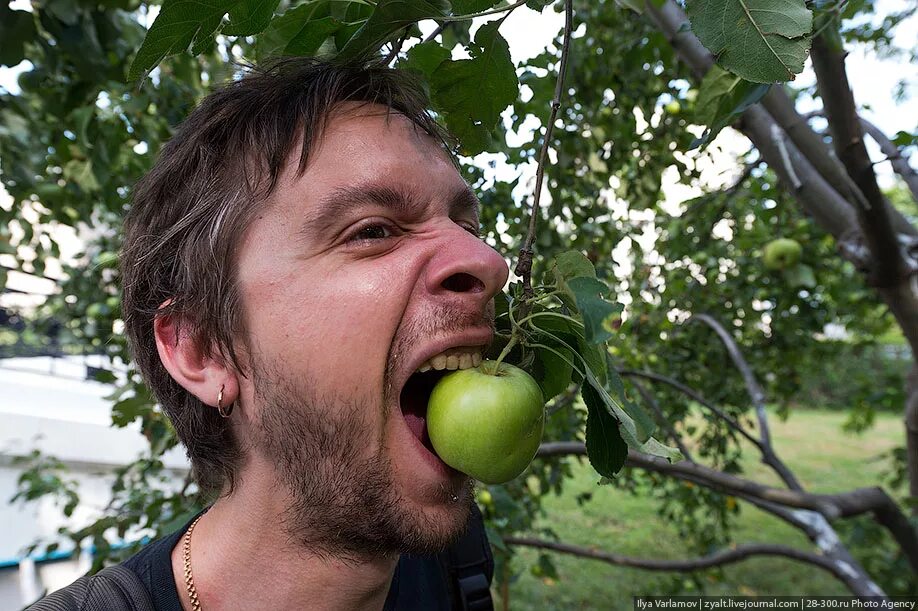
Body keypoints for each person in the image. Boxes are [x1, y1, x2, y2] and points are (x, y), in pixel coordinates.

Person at [30, 57, 508, 610]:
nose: (486, 260)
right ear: (204, 349)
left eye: (467, 227)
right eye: (373, 230)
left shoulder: (458, 561)